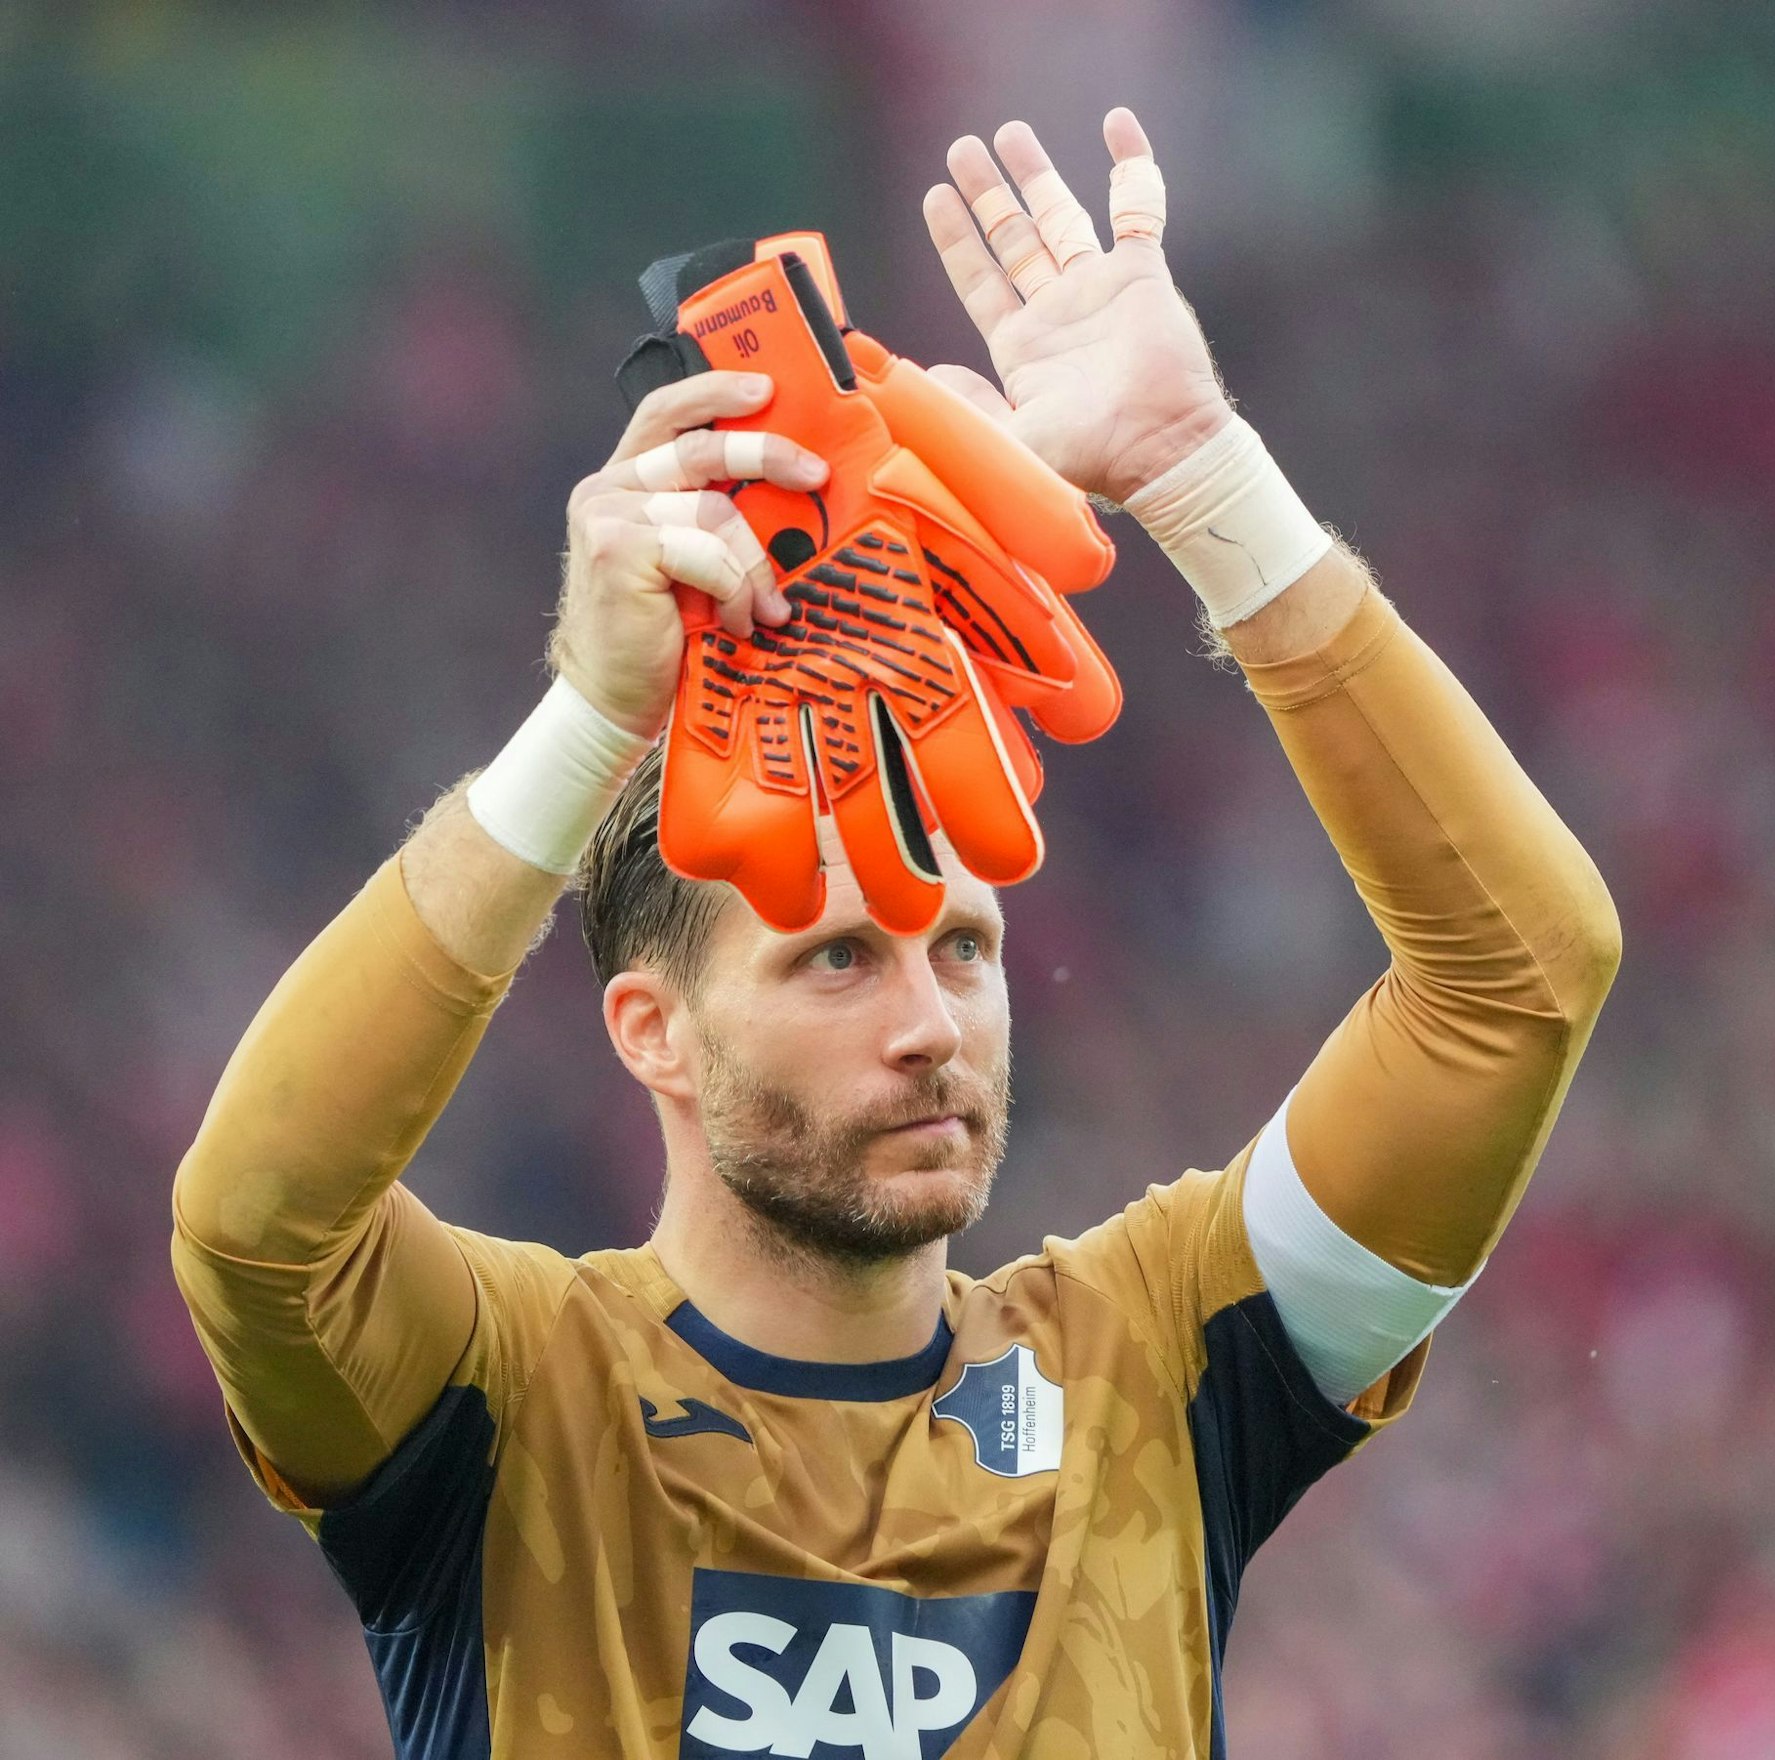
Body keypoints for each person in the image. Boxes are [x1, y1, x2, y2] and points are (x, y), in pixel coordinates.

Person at [172, 107, 1619, 1759]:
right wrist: (591, 717)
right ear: (652, 1029)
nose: (933, 1024)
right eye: (837, 958)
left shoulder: (1156, 1365)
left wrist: (1200, 469)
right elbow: (254, 1226)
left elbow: (1521, 981)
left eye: (968, 951)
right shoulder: (511, 1393)